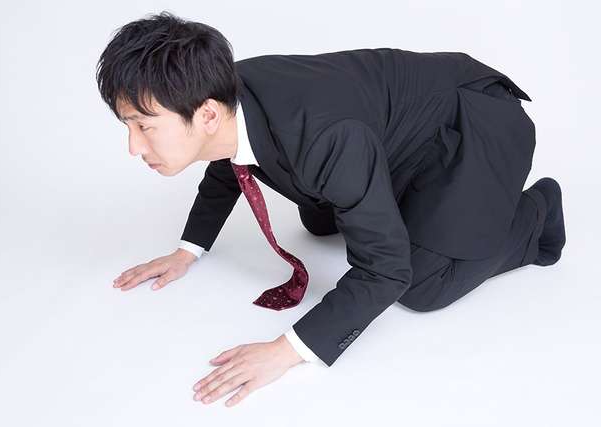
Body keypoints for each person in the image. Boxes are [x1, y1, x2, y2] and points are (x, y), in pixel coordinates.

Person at [96, 11, 566, 407]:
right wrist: (188, 250)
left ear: (207, 115)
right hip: (388, 133)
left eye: (144, 126)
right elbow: (226, 163)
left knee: (422, 286)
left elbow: (385, 271)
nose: (133, 147)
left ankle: (538, 214)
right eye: (127, 126)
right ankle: (396, 199)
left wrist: (286, 350)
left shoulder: (324, 139)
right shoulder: (223, 102)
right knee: (318, 218)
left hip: (473, 126)